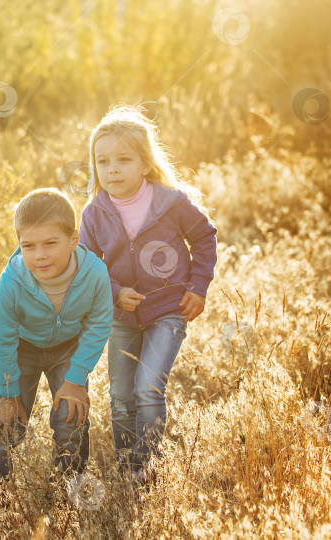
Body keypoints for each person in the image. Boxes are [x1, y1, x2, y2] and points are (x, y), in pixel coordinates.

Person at [79, 105, 218, 483]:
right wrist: (114, 293)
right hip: (120, 319)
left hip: (167, 311)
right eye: (103, 161)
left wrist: (198, 288)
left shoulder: (172, 203)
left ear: (145, 163)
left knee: (147, 387)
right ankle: (127, 464)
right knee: (121, 396)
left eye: (124, 160)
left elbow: (205, 238)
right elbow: (87, 264)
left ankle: (148, 465)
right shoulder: (94, 214)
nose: (113, 169)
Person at [0, 187, 113, 505]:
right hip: (21, 350)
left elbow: (98, 326)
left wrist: (76, 377)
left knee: (71, 419)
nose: (40, 255)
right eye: (29, 246)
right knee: (6, 424)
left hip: (68, 350)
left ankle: (67, 500)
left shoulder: (95, 274)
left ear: (73, 239)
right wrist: (9, 393)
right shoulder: (11, 282)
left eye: (51, 243)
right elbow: (3, 337)